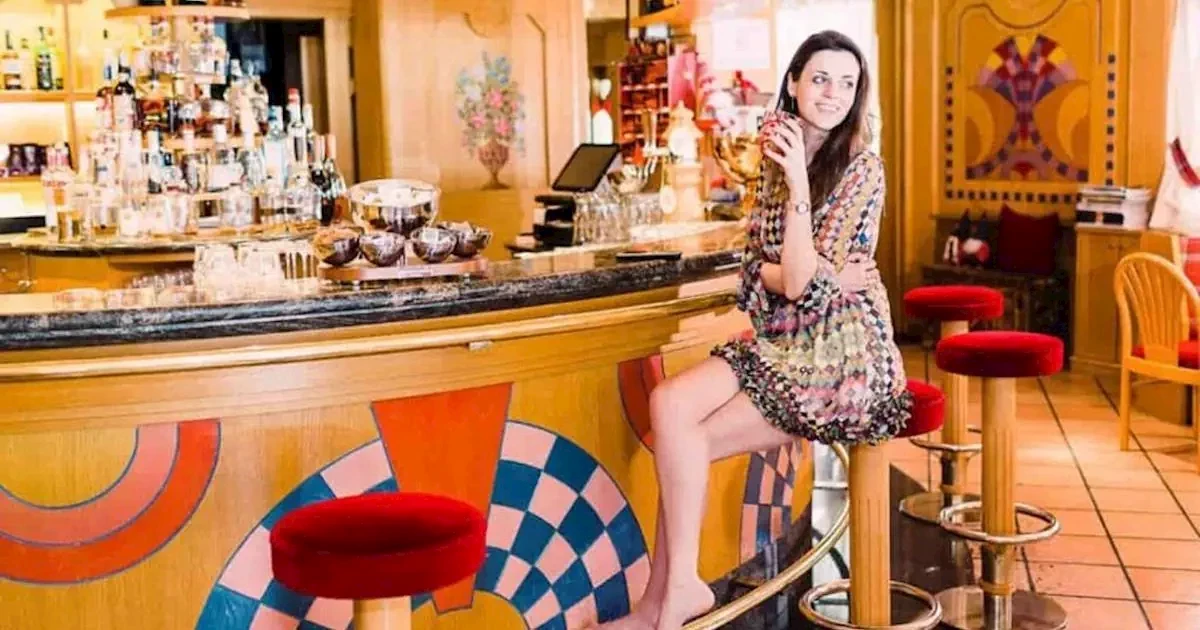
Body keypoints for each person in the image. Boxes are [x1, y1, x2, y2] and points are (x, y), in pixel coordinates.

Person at [597, 30, 912, 630]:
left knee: (684, 444)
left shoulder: (863, 169)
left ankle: (663, 606)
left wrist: (799, 196)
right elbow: (759, 271)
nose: (833, 94)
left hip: (845, 357)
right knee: (670, 406)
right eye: (821, 78)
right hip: (784, 342)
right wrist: (810, 271)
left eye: (847, 84)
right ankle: (672, 595)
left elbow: (796, 282)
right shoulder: (773, 156)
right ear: (794, 82)